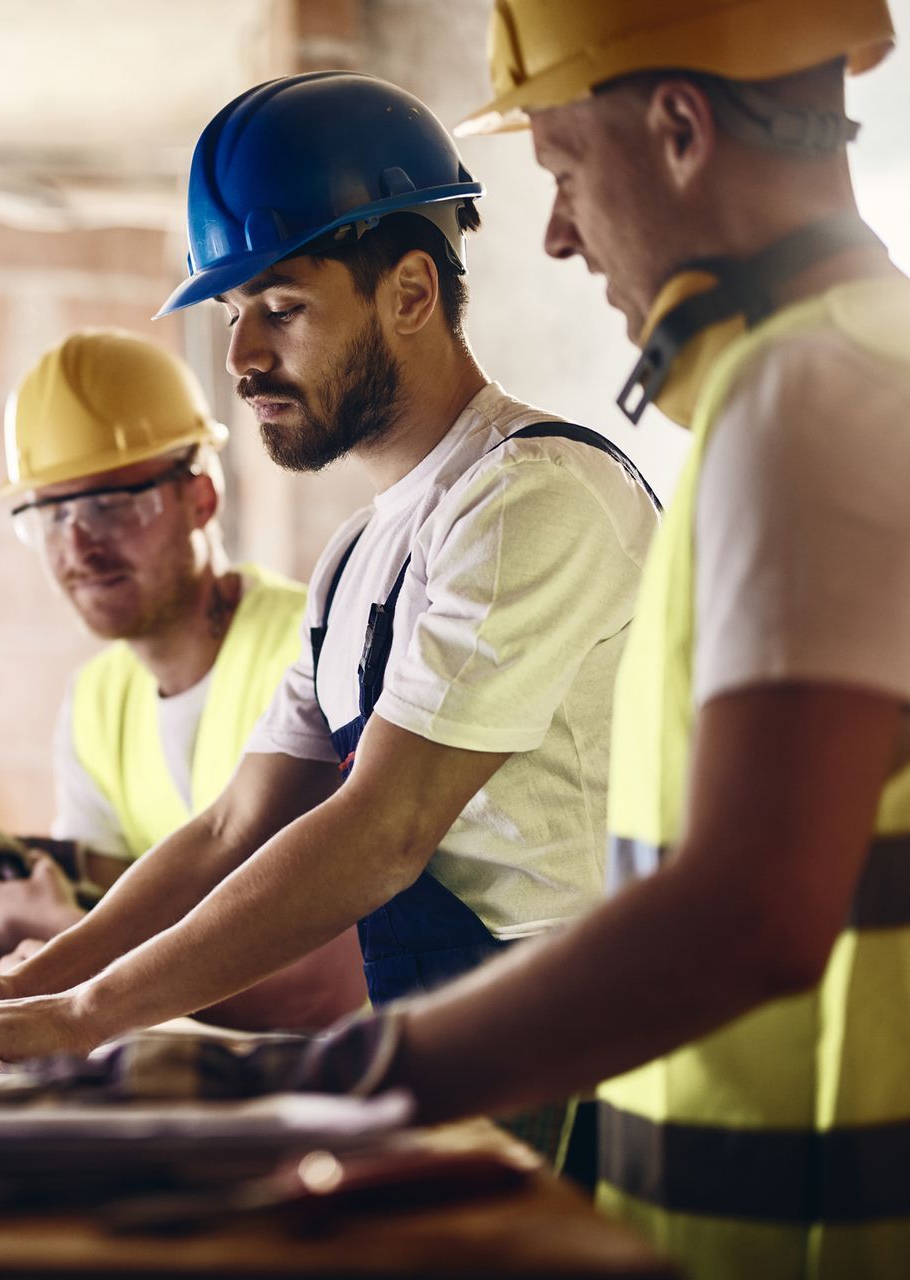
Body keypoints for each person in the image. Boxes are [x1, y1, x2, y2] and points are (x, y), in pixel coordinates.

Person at [215, 4, 907, 1277]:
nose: (556, 228)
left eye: (567, 166)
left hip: (808, 1229)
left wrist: (365, 1071)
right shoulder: (845, 374)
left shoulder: (805, 400)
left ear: (682, 129)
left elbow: (752, 909)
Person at [0, 70, 661, 1141]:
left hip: (569, 1059)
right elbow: (233, 821)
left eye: (281, 309)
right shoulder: (363, 550)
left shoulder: (532, 497)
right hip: (448, 1046)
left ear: (413, 291)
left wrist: (82, 1013)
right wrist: (24, 984)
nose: (241, 358)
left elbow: (383, 828)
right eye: (234, 314)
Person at [0, 328, 367, 1031]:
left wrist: (59, 940)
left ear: (201, 497)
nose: (79, 546)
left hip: (343, 1093)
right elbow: (132, 904)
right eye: (50, 515)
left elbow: (319, 985)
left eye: (111, 505)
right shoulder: (96, 702)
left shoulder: (317, 651)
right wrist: (42, 877)